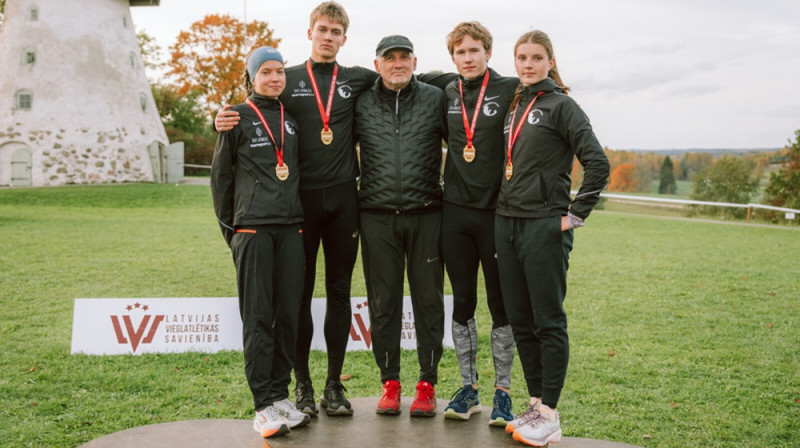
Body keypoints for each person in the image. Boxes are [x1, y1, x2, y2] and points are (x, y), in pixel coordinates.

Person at [216, 1, 375, 417]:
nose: (328, 36)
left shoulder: (357, 78)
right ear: (310, 33)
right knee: (295, 300)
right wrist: (216, 121)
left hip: (343, 201)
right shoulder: (287, 79)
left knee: (339, 292)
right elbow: (251, 113)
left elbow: (404, 81)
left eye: (336, 31)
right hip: (297, 207)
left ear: (344, 37)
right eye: (322, 29)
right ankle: (300, 387)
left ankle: (334, 385)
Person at [495, 31, 610, 447]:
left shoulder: (563, 106)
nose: (527, 64)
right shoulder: (516, 105)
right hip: (506, 224)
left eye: (536, 57)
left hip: (544, 225)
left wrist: (573, 217)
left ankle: (551, 413)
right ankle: (536, 404)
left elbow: (598, 164)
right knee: (521, 321)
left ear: (550, 61)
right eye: (522, 57)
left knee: (547, 320)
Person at [210, 46, 311, 439]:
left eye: (280, 72)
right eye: (266, 72)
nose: (274, 78)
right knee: (257, 318)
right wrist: (233, 233)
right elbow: (220, 180)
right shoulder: (235, 116)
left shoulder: (291, 117)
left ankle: (281, 395)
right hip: (252, 230)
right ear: (251, 77)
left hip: (291, 228)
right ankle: (262, 405)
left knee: (287, 315)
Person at [355, 35, 448, 418]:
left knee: (429, 301)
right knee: (384, 303)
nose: (397, 64)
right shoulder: (360, 103)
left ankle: (426, 384)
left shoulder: (435, 98)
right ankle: (390, 383)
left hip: (426, 214)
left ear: (414, 61)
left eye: (404, 58)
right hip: (376, 216)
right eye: (389, 58)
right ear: (377, 64)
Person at [439, 22, 519, 427]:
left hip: (495, 215)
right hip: (454, 214)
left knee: (500, 304)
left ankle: (502, 393)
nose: (467, 58)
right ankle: (468, 387)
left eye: (474, 50)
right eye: (460, 52)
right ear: (452, 57)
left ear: (488, 51)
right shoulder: (447, 91)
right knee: (463, 302)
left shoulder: (509, 89)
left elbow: (545, 93)